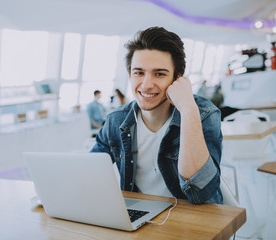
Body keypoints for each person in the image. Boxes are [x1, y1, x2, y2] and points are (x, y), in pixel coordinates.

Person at [90, 27, 223, 204]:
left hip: (194, 220)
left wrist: (188, 109)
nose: (146, 85)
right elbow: (88, 171)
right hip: (141, 219)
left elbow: (200, 192)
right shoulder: (117, 119)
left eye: (159, 74)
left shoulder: (203, 114)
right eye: (139, 72)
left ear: (177, 79)